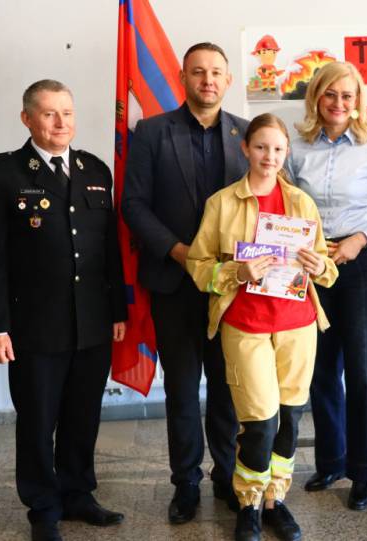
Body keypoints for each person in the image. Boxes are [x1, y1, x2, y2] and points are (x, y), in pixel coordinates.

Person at [0, 79, 127, 541]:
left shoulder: (94, 169)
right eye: (49, 113)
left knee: (83, 415)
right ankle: (43, 508)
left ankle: (78, 494)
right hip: (34, 326)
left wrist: (117, 310)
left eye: (67, 113)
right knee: (38, 422)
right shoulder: (3, 174)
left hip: (92, 321)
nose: (61, 123)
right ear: (27, 119)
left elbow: (109, 251)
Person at [187, 113, 337, 541]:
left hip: (298, 326)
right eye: (260, 147)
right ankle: (248, 504)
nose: (269, 157)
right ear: (245, 149)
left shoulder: (301, 203)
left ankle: (275, 501)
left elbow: (327, 270)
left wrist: (319, 265)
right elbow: (198, 266)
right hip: (246, 325)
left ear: (286, 152)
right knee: (259, 422)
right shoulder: (222, 203)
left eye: (277, 149)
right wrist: (237, 271)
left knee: (289, 418)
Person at [121, 42, 247, 521]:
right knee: (181, 390)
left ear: (228, 80)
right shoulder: (152, 132)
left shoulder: (246, 133)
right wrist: (180, 252)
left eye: (216, 72)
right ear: (183, 78)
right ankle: (186, 483)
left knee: (227, 388)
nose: (207, 80)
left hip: (231, 287)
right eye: (198, 72)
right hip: (175, 282)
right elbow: (134, 205)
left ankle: (227, 475)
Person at [288, 61, 367, 511]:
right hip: (311, 265)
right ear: (316, 97)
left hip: (362, 265)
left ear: (358, 101)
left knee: (364, 372)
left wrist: (360, 239)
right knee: (320, 370)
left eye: (348, 95)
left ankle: (364, 470)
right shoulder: (297, 148)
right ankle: (331, 461)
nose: (339, 103)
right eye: (330, 94)